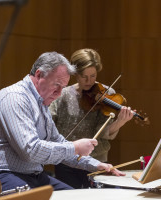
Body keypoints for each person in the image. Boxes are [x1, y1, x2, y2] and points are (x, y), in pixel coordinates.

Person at [0, 52, 125, 196]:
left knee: (78, 197)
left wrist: (96, 165)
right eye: (56, 85)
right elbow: (30, 150)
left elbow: (57, 142)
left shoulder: (41, 104)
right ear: (39, 74)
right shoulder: (15, 97)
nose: (59, 93)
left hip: (31, 175)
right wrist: (75, 147)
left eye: (63, 87)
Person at [49, 49, 133, 189]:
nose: (89, 81)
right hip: (66, 161)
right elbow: (49, 125)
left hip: (97, 160)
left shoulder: (106, 94)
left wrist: (120, 122)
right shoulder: (62, 95)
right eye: (84, 76)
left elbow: (105, 133)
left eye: (93, 76)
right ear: (75, 73)